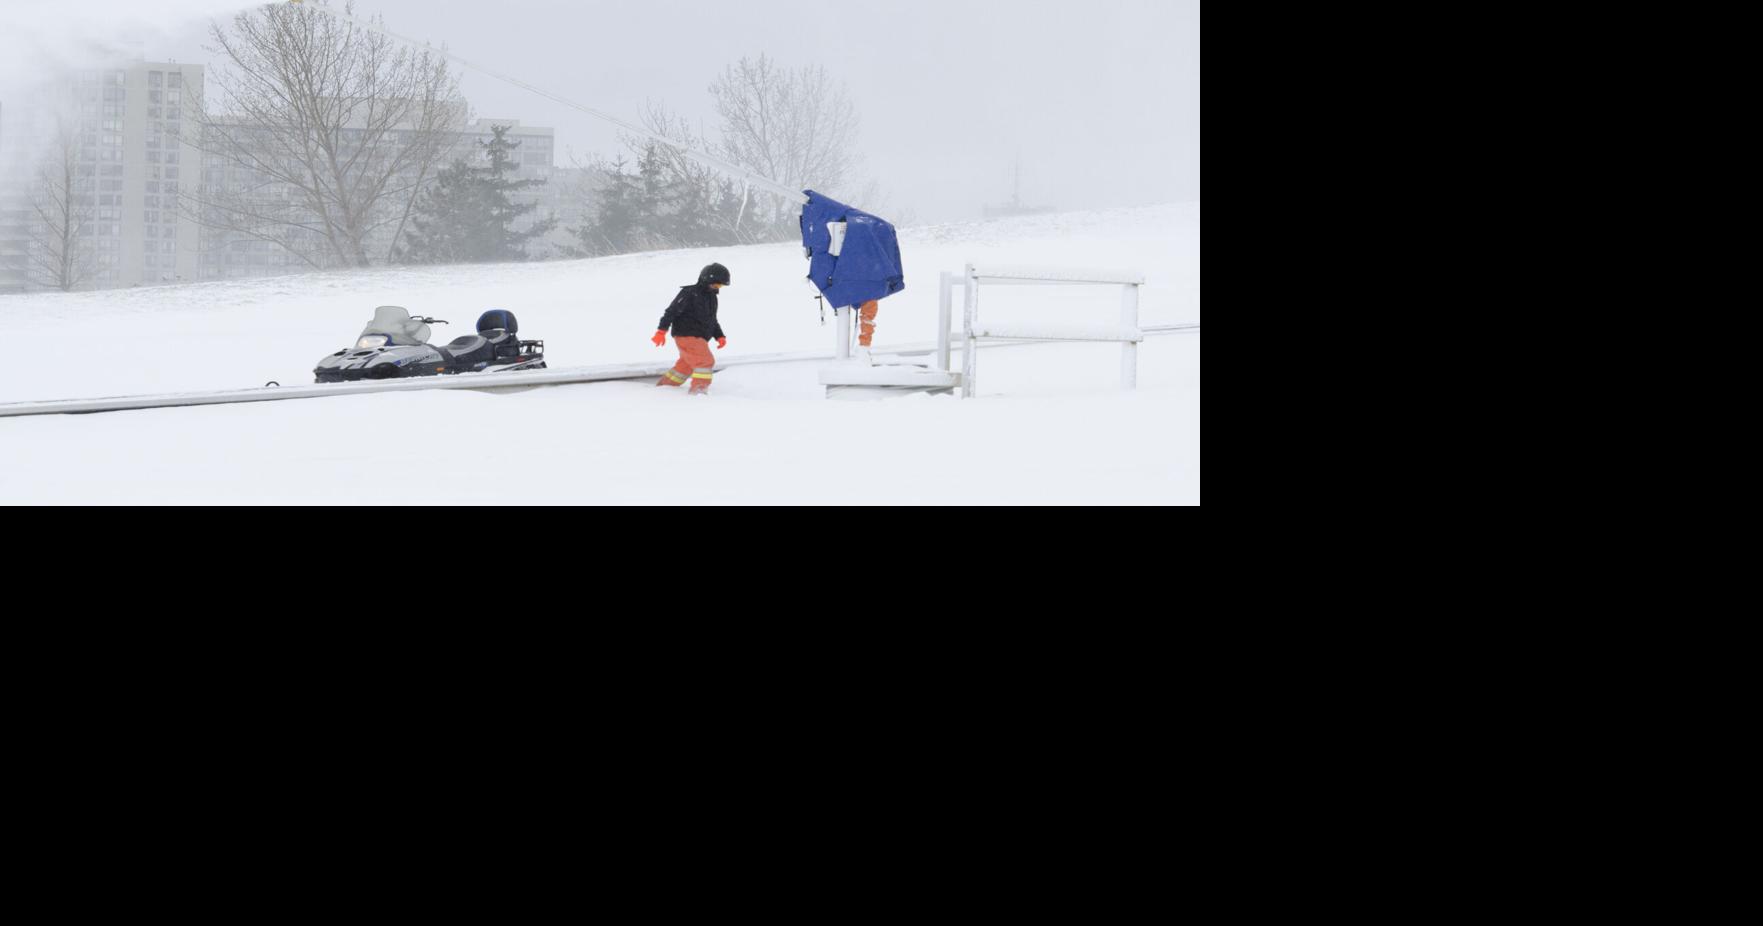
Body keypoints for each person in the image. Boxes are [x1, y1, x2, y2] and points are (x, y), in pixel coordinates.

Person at [652, 263, 730, 395]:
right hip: (687, 334)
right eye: (715, 284)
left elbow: (712, 319)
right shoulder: (689, 293)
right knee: (704, 361)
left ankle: (665, 387)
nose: (717, 288)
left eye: (720, 286)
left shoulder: (711, 297)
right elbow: (671, 312)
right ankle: (699, 391)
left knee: (686, 365)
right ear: (706, 280)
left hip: (699, 336)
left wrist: (719, 336)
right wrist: (661, 331)